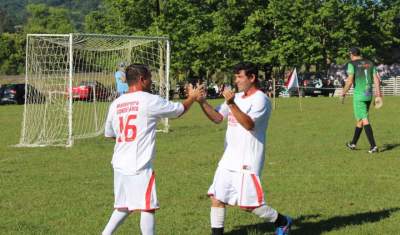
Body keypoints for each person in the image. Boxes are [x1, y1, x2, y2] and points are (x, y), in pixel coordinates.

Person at [102, 64, 203, 235]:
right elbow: (178, 111)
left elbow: (110, 134)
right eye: (149, 78)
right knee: (147, 207)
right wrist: (192, 97)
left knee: (123, 205)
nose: (151, 81)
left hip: (119, 163)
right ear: (142, 79)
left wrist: (128, 142)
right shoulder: (149, 100)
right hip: (139, 165)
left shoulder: (116, 103)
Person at [196, 62, 292, 235]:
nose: (236, 80)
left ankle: (283, 221)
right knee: (217, 198)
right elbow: (217, 117)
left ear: (252, 77)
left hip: (247, 160)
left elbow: (249, 125)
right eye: (236, 77)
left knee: (249, 205)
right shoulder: (237, 97)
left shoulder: (261, 100)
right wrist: (202, 102)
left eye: (240, 76)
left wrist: (232, 104)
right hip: (228, 159)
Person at [342, 47, 382, 153]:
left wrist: (343, 92)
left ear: (352, 54)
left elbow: (350, 81)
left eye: (349, 54)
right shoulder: (370, 62)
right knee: (360, 119)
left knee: (364, 118)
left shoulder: (352, 64)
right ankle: (353, 143)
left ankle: (373, 146)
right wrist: (378, 95)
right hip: (368, 94)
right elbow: (377, 80)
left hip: (359, 96)